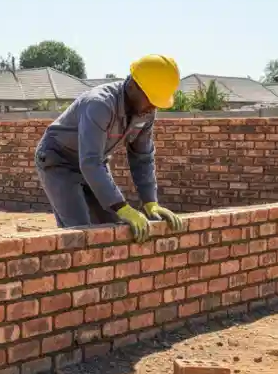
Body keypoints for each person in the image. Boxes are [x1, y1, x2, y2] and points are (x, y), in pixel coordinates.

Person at [34, 54, 188, 242]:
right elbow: (89, 161)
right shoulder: (100, 104)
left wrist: (150, 202)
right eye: (150, 99)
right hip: (59, 161)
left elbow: (142, 157)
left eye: (157, 101)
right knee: (79, 231)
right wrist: (121, 206)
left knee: (111, 226)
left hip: (94, 163)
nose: (153, 106)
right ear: (132, 86)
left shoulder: (146, 113)